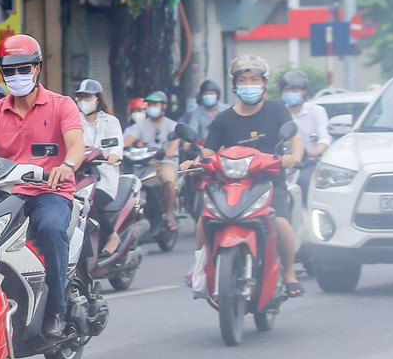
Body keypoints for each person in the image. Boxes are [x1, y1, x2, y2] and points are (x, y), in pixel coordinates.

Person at [0, 33, 84, 340]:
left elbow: (76, 146)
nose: (17, 76)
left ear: (37, 68)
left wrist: (66, 166)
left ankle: (57, 308)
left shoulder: (62, 106)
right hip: (6, 194)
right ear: (1, 72)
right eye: (10, 70)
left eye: (24, 68)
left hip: (50, 192)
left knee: (50, 230)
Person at [185, 55, 306, 298]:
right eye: (243, 80)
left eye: (254, 80)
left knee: (280, 223)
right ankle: (200, 268)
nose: (249, 84)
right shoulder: (223, 119)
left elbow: (295, 140)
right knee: (203, 221)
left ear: (263, 84)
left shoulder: (277, 110)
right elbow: (209, 151)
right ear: (235, 85)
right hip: (231, 183)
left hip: (269, 181)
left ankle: (289, 273)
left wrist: (293, 156)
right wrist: (196, 161)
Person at [74, 79, 125, 254]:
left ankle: (112, 236)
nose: (83, 101)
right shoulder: (73, 121)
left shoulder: (110, 121)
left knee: (91, 205)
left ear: (97, 98)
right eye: (80, 97)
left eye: (87, 97)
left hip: (105, 176)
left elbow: (117, 145)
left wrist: (114, 155)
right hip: (80, 175)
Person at [124, 90, 180, 230]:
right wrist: (121, 147)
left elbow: (173, 148)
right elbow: (129, 139)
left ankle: (168, 215)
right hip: (146, 164)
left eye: (155, 104)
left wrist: (167, 152)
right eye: (149, 104)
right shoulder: (140, 125)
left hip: (166, 164)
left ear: (164, 106)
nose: (151, 107)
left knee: (168, 182)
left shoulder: (172, 125)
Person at [278, 69, 331, 204]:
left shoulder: (317, 111)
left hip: (308, 163)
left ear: (304, 91)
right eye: (287, 90)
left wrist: (316, 151)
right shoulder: (278, 112)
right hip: (282, 163)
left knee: (306, 183)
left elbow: (324, 138)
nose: (291, 93)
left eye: (295, 90)